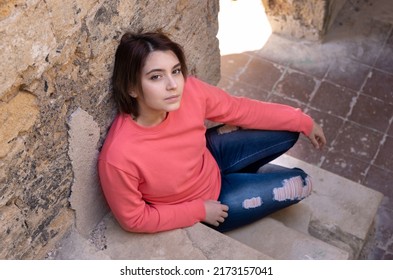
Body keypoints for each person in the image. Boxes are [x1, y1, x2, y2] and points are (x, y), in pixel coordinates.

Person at [98, 31, 326, 234]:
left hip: (211, 154)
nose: (173, 85)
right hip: (213, 200)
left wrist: (302, 120)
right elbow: (134, 219)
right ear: (131, 88)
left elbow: (240, 109)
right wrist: (198, 211)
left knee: (289, 129)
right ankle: (244, 178)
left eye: (175, 71)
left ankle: (246, 173)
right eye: (156, 76)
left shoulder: (190, 90)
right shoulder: (119, 156)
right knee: (303, 183)